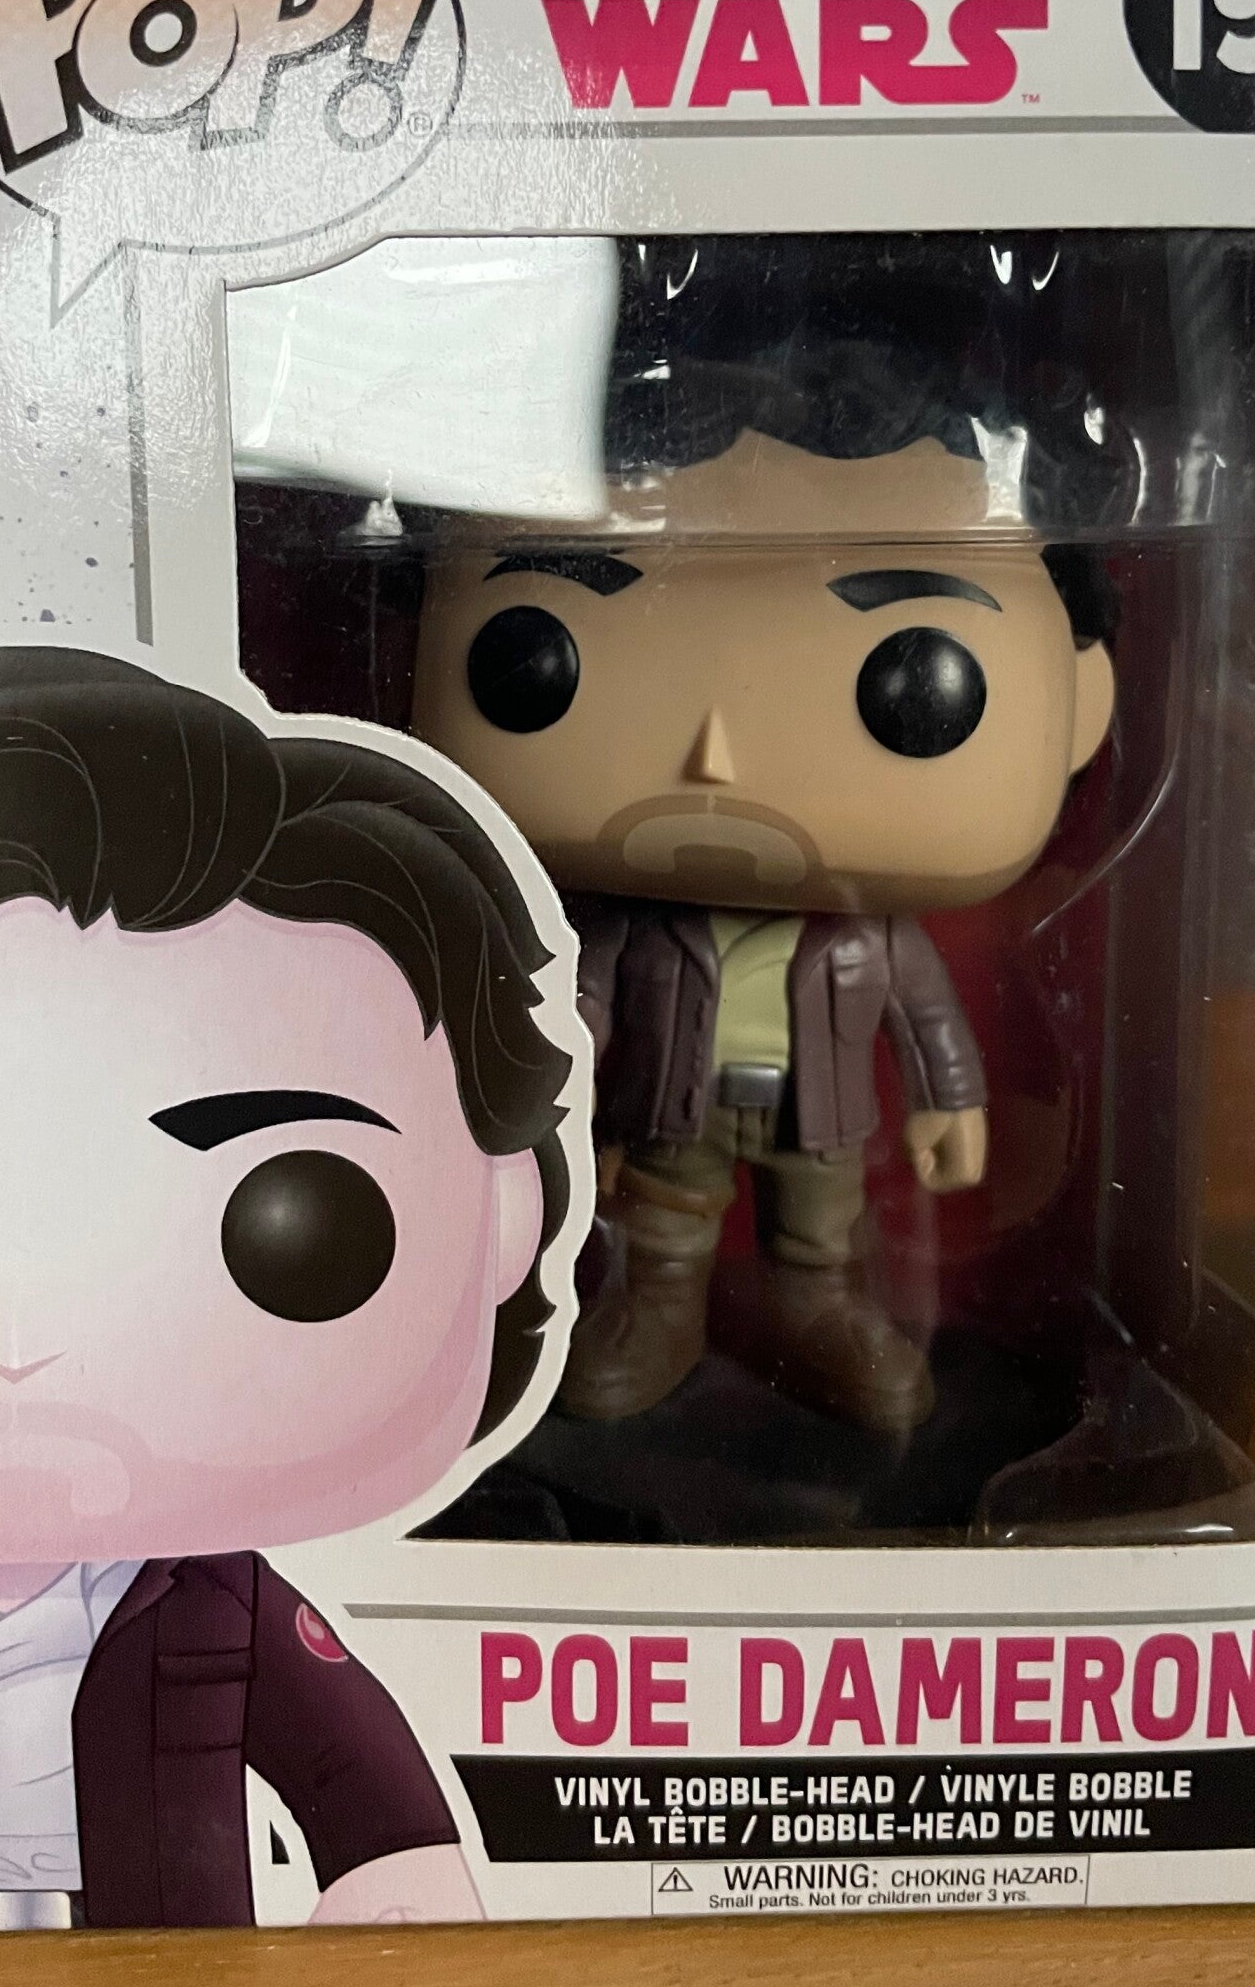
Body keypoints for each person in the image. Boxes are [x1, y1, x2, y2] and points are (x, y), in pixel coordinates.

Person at [0, 647, 575, 1931]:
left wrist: (393, 1883)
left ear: (504, 1214)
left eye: (292, 1219)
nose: (32, 1345)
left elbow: (364, 1788)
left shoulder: (213, 1597)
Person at [412, 234, 1121, 1436]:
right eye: (536, 660)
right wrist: (546, 1091)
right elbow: (578, 1005)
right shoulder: (625, 929)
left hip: (820, 1110)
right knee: (667, 1220)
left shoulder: (869, 937)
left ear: (1083, 700)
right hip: (671, 1109)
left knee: (818, 1220)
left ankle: (816, 1306)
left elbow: (928, 1016)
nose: (714, 759)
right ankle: (660, 1308)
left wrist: (952, 1100)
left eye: (916, 683)